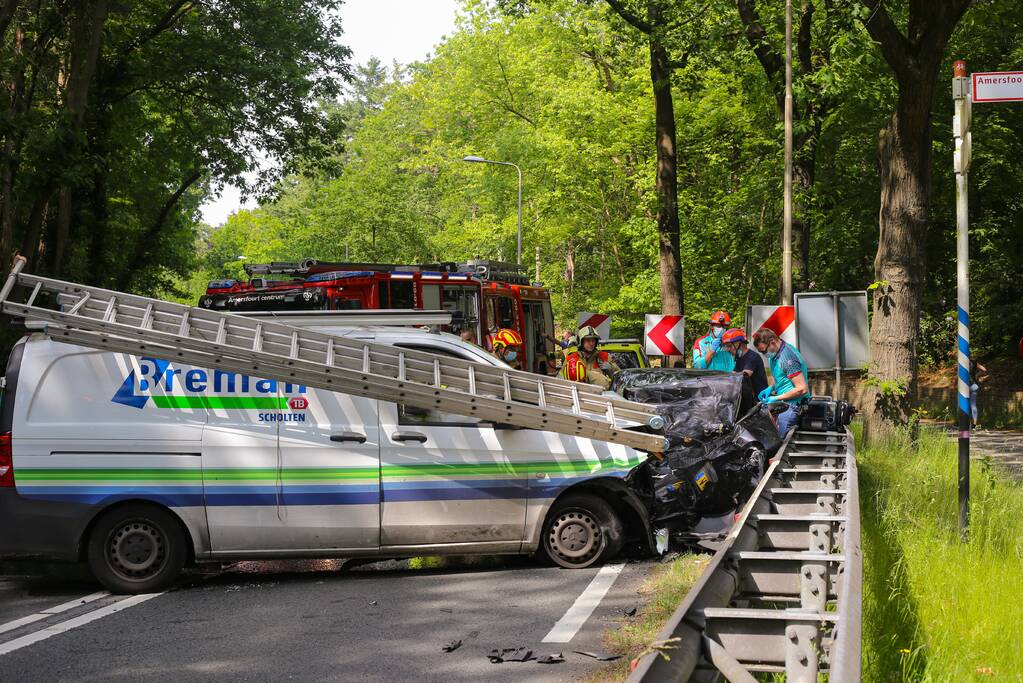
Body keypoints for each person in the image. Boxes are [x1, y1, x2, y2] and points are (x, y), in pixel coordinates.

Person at [753, 327, 810, 435]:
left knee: (779, 442)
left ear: (773, 342)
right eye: (761, 352)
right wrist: (770, 388)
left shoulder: (788, 358)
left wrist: (775, 398)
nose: (764, 354)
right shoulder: (774, 354)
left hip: (793, 406)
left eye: (764, 351)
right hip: (783, 402)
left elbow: (802, 389)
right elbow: (782, 377)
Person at [560, 325, 620, 390]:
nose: (591, 343)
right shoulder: (571, 358)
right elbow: (560, 379)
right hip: (577, 396)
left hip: (601, 397)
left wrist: (611, 368)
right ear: (581, 342)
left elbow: (619, 379)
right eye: (588, 340)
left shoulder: (604, 356)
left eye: (593, 340)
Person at [721, 328, 768, 397]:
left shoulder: (752, 357)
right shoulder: (739, 358)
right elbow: (733, 375)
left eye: (729, 346)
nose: (728, 349)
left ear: (739, 344)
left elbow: (743, 377)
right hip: (749, 399)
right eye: (726, 347)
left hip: (759, 400)